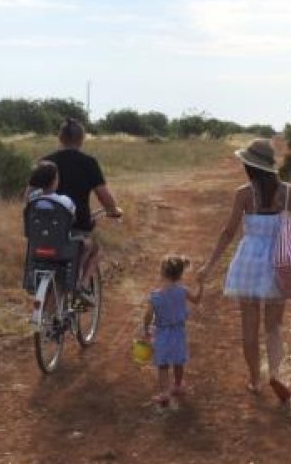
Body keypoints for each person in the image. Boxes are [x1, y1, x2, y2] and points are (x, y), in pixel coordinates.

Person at [198, 138, 291, 405]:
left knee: (249, 328)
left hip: (249, 263)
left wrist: (209, 265)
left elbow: (228, 231)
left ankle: (255, 379)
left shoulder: (244, 193)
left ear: (250, 166)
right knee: (274, 327)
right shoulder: (288, 192)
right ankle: (275, 373)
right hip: (278, 262)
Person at [45, 118, 123, 302]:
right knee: (95, 249)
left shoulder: (46, 162)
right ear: (81, 139)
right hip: (77, 226)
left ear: (60, 138)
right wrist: (113, 210)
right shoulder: (88, 163)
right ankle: (83, 284)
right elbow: (103, 195)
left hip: (46, 229)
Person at [142, 254, 203, 407]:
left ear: (162, 273)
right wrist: (202, 285)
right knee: (178, 361)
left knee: (162, 364)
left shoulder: (155, 296)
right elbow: (196, 299)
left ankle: (164, 393)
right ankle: (178, 384)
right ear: (180, 274)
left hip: (162, 333)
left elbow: (148, 314)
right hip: (179, 332)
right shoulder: (183, 291)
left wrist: (146, 329)